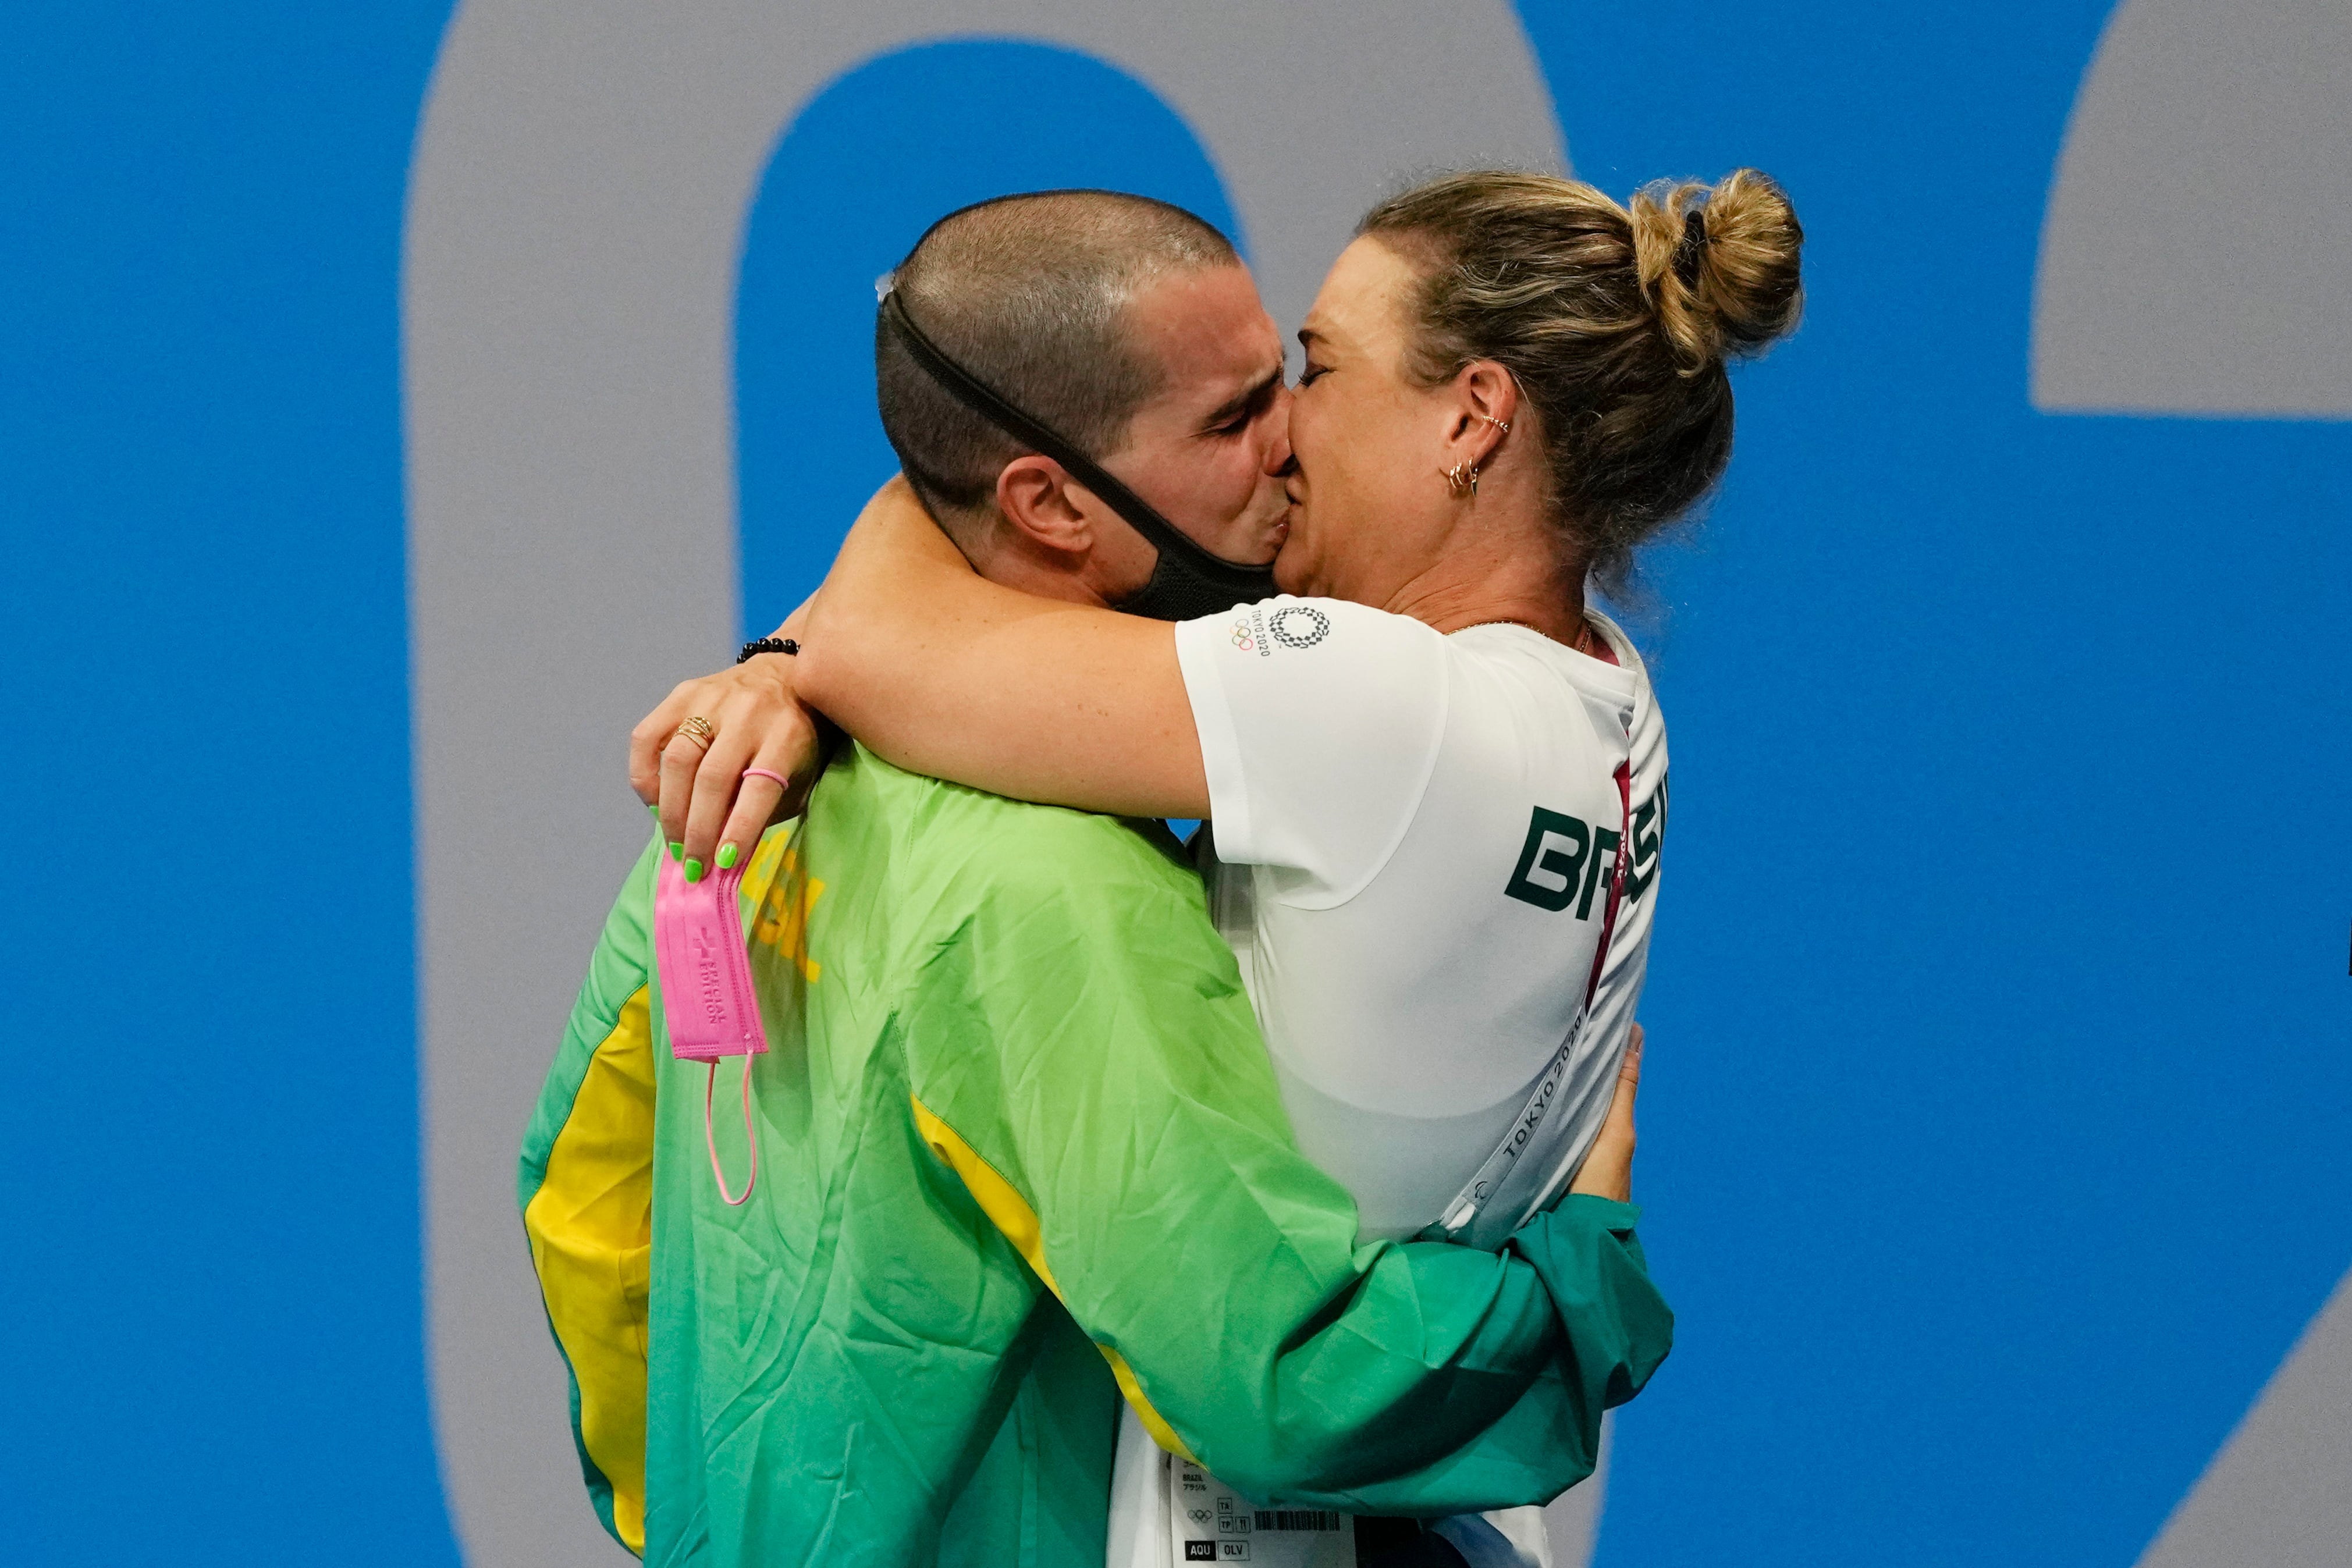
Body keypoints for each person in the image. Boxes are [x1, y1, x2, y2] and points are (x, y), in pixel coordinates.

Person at [641, 171, 1803, 1566]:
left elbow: (895, 642)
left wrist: (847, 587)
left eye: (1313, 369)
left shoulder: (1379, 708)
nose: (1285, 435)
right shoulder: (1597, 700)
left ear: (1471, 417)